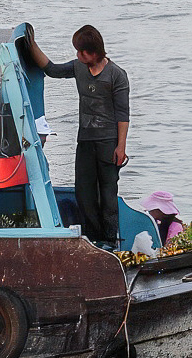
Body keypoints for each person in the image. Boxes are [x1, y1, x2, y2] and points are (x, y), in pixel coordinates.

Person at [26, 24, 130, 248]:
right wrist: (32, 45)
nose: (77, 55)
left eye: (80, 51)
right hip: (85, 141)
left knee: (108, 194)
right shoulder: (78, 67)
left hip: (108, 142)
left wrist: (121, 147)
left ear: (93, 52)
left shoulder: (116, 75)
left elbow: (123, 115)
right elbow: (52, 70)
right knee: (84, 192)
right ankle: (93, 239)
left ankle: (110, 240)